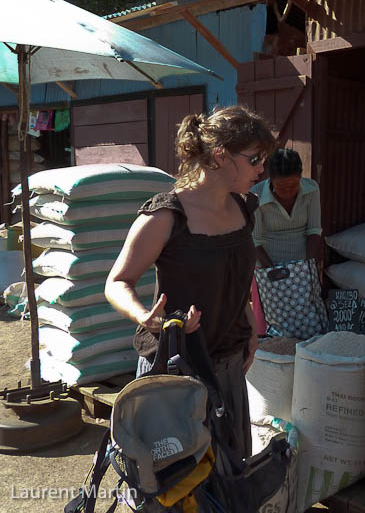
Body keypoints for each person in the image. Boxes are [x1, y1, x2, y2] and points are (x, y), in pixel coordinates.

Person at [106, 105, 275, 460]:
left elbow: (237, 277)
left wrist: (249, 326)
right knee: (175, 476)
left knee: (226, 472)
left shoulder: (244, 208)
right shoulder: (166, 217)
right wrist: (144, 316)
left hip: (228, 364)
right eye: (255, 158)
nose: (262, 169)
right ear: (220, 157)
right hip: (174, 370)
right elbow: (117, 282)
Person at [251, 148, 324, 271]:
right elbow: (255, 242)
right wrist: (274, 272)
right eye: (281, 186)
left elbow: (314, 231)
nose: (288, 191)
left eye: (293, 185)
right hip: (267, 267)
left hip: (302, 265)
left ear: (300, 177)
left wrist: (308, 267)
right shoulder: (256, 195)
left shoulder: (312, 189)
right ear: (271, 179)